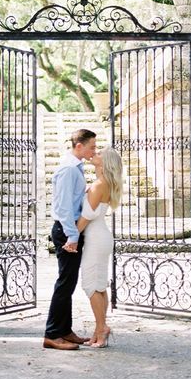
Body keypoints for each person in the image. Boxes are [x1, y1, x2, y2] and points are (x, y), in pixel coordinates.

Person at [43, 128, 97, 351]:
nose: (94, 150)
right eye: (91, 147)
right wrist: (72, 236)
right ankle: (52, 333)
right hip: (67, 230)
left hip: (70, 229)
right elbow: (64, 208)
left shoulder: (76, 167)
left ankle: (65, 330)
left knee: (69, 282)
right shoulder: (68, 170)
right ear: (79, 146)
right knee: (65, 283)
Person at [65, 146, 123, 348]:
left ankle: (102, 328)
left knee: (90, 285)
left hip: (96, 238)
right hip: (101, 237)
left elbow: (87, 217)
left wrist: (72, 237)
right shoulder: (103, 183)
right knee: (99, 285)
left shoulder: (100, 184)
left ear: (105, 162)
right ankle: (100, 330)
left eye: (99, 153)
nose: (94, 154)